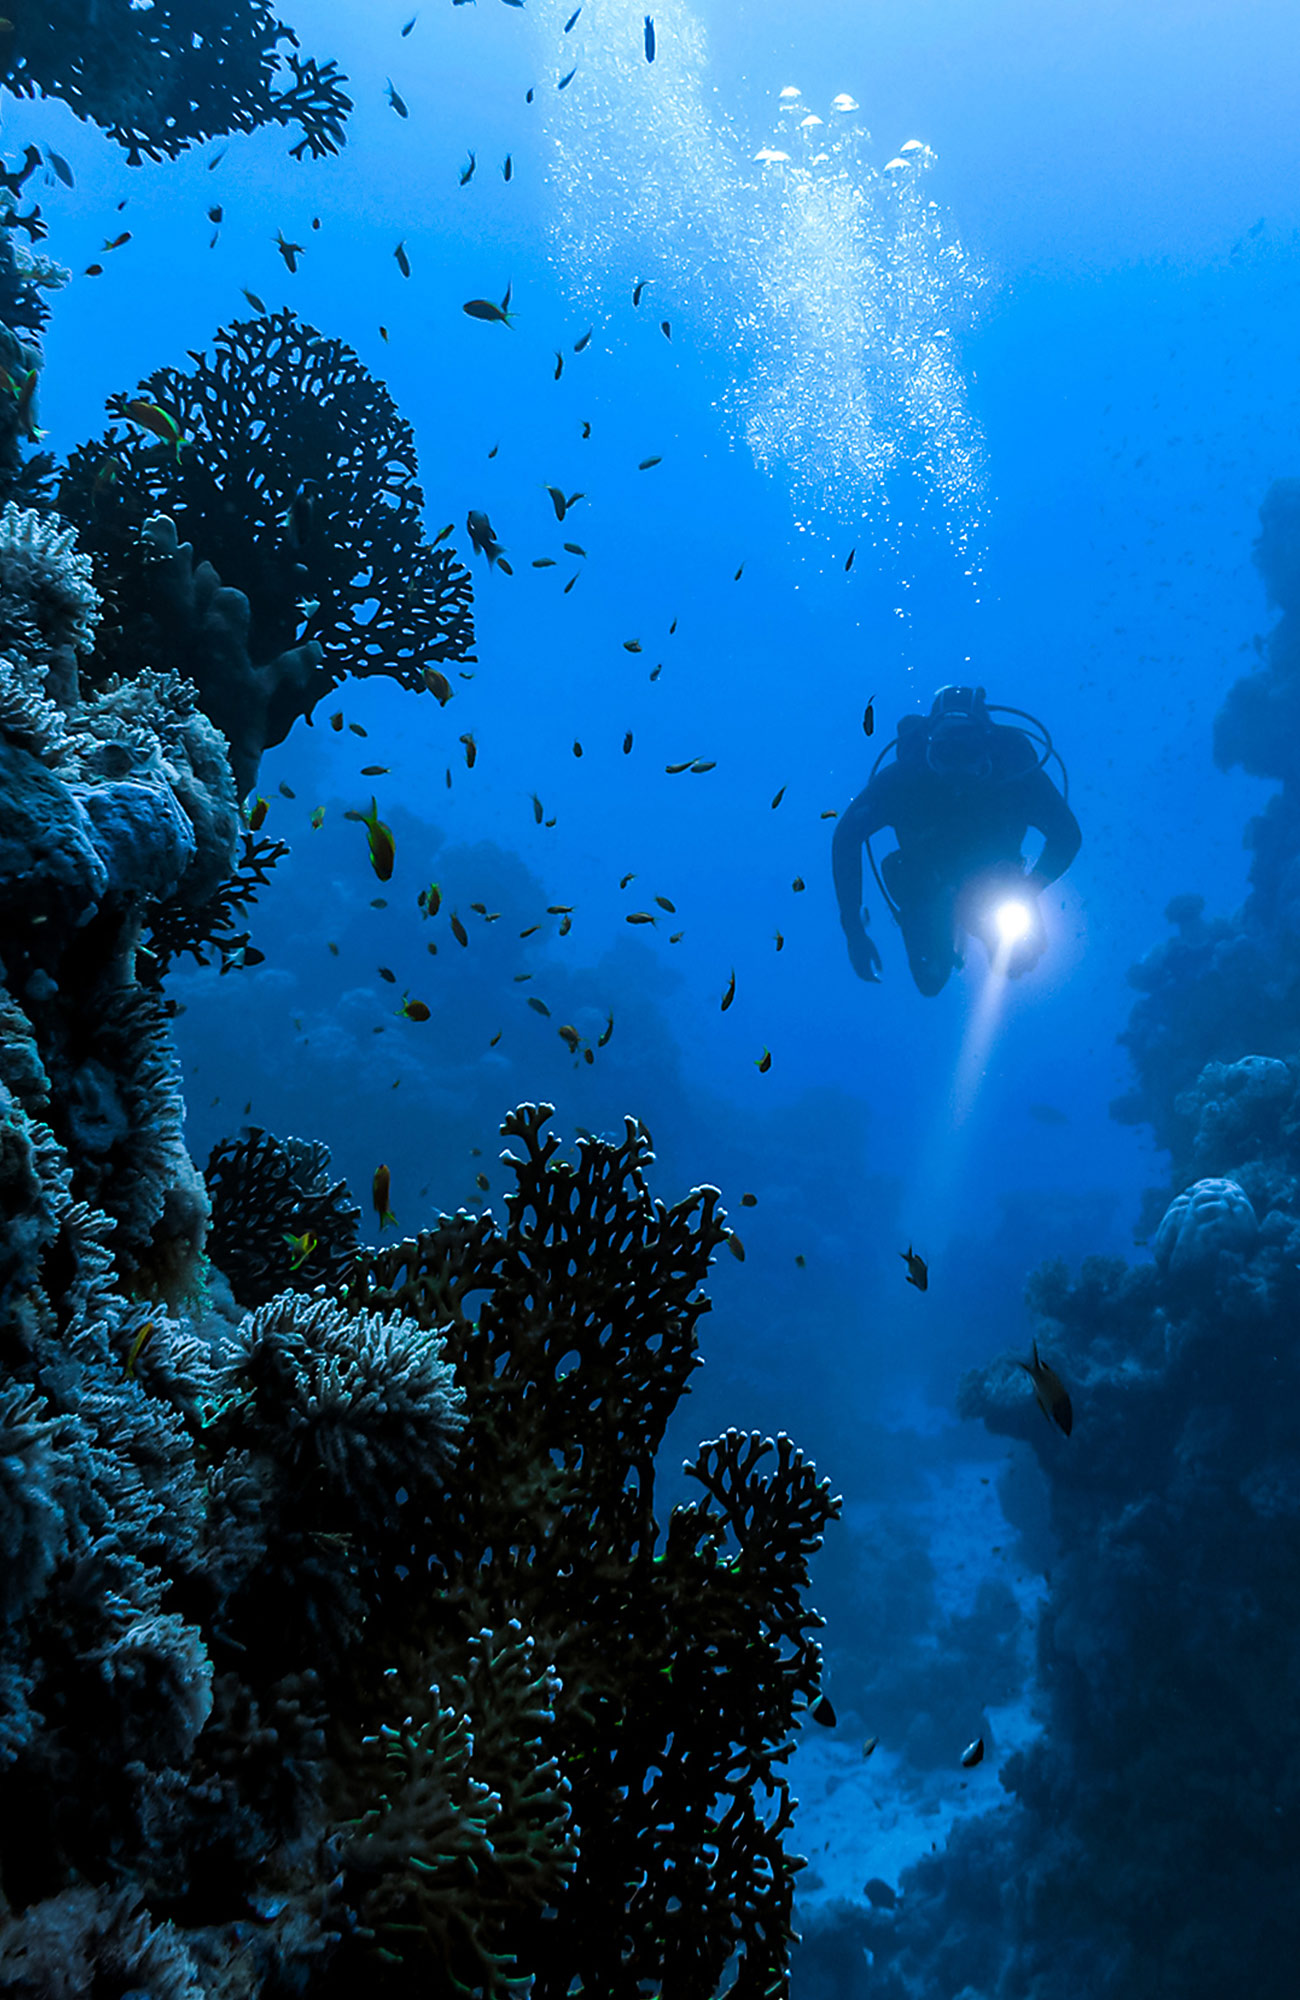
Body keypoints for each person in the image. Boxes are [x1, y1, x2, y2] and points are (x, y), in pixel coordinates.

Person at [832, 685, 1081, 996]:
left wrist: (1029, 888)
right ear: (929, 749)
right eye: (948, 753)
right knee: (930, 980)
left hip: (995, 885)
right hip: (925, 882)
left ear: (988, 749)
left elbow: (1067, 836)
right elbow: (846, 837)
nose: (958, 768)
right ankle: (943, 916)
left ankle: (971, 916)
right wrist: (853, 930)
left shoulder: (1015, 775)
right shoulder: (904, 780)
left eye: (968, 751)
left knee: (1018, 961)